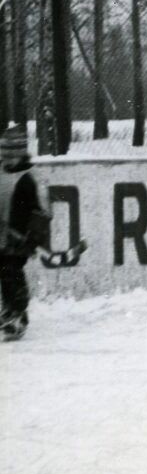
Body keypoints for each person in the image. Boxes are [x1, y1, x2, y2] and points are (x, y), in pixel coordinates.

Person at [0, 124, 50, 341]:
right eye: (4, 155)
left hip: (19, 239)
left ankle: (19, 314)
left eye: (11, 156)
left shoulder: (30, 178)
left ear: (20, 155)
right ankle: (8, 310)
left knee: (12, 273)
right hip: (2, 237)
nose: (7, 160)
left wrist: (32, 238)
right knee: (4, 274)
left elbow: (42, 211)